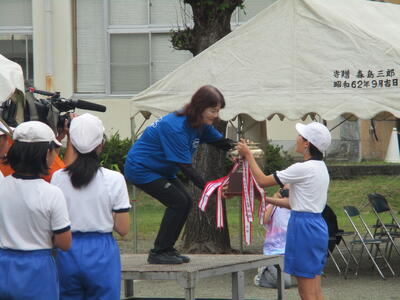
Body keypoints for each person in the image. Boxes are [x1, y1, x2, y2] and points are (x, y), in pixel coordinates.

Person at [124, 85, 235, 264]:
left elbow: (222, 143)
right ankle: (158, 252)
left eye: (218, 110)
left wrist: (242, 149)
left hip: (162, 169)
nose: (216, 115)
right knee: (178, 201)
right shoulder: (176, 126)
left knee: (186, 201)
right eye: (213, 110)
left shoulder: (199, 123)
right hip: (142, 169)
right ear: (200, 107)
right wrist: (212, 190)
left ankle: (166, 249)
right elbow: (186, 168)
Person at [237, 122, 331, 300]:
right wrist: (265, 199)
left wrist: (248, 155)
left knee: (306, 292)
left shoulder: (302, 168)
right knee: (316, 289)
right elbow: (292, 203)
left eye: (300, 136)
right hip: (316, 225)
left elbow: (263, 181)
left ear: (307, 144)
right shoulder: (321, 168)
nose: (296, 138)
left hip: (303, 227)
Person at [51, 113, 131, 300]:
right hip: (101, 250)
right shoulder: (114, 179)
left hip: (66, 247)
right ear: (100, 144)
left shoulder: (58, 178)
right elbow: (123, 228)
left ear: (72, 143)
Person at [0, 121, 72, 300]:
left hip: (3, 263)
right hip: (37, 267)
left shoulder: (2, 185)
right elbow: (64, 242)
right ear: (46, 153)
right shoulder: (52, 193)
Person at [255, 188, 292, 289]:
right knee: (286, 283)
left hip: (291, 253)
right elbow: (263, 220)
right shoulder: (274, 207)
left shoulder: (296, 208)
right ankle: (262, 275)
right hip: (274, 252)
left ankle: (279, 274)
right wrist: (274, 201)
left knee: (309, 278)